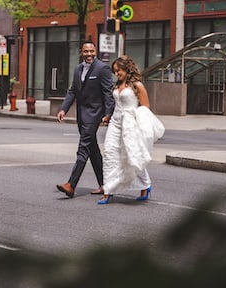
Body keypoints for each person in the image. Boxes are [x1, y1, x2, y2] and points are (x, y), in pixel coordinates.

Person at [98, 55, 163, 205]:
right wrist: (108, 117)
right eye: (115, 71)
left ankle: (145, 186)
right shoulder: (117, 85)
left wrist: (136, 123)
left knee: (132, 156)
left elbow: (145, 107)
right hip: (115, 122)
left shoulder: (137, 85)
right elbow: (116, 104)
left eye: (119, 70)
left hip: (130, 124)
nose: (117, 74)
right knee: (109, 153)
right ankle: (108, 191)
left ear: (127, 69)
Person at [56, 41, 115, 198]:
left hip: (94, 114)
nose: (89, 54)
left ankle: (71, 185)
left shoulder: (102, 68)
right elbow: (73, 91)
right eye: (86, 51)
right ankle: (104, 184)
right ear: (81, 53)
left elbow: (108, 93)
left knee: (83, 148)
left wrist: (108, 113)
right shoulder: (78, 69)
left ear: (95, 52)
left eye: (92, 51)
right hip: (81, 115)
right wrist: (63, 109)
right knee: (93, 150)